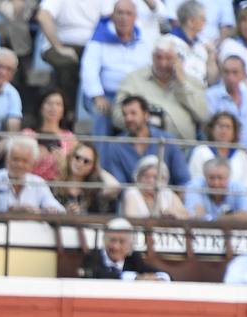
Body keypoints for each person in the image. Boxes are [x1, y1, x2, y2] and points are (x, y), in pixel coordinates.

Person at [111, 35, 209, 142]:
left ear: (179, 60)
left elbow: (203, 115)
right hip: (143, 143)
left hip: (183, 147)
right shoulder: (133, 79)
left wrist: (182, 85)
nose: (163, 64)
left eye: (168, 58)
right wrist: (144, 122)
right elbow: (117, 115)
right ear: (152, 57)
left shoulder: (193, 82)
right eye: (158, 57)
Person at [78, 0, 148, 137]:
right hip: (106, 95)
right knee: (101, 116)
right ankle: (100, 157)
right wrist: (98, 96)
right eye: (120, 13)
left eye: (129, 14)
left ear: (135, 17)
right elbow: (89, 70)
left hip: (134, 95)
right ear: (112, 16)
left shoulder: (144, 42)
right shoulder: (99, 39)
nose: (124, 17)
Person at [100, 94, 191, 187]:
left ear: (146, 115)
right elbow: (119, 185)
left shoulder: (166, 140)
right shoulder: (116, 146)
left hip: (164, 195)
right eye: (125, 114)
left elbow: (182, 179)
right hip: (132, 198)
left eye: (133, 113)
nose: (128, 118)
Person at [0, 136, 67, 214]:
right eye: (15, 159)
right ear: (7, 160)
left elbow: (58, 209)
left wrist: (47, 211)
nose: (19, 164)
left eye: (24, 161)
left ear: (33, 164)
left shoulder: (38, 182)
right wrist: (12, 210)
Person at [206, 55, 247, 157]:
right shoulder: (211, 96)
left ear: (244, 74)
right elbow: (210, 128)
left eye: (235, 72)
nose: (230, 77)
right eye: (226, 72)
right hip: (219, 152)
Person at [78, 217, 170, 280]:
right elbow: (95, 274)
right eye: (112, 240)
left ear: (130, 245)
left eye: (122, 242)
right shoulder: (93, 256)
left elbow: (163, 274)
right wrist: (134, 278)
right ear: (104, 240)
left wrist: (160, 278)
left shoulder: (133, 258)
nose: (116, 247)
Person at [190, 111, 247, 190]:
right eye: (220, 126)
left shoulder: (242, 155)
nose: (224, 130)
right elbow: (195, 183)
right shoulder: (200, 151)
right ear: (212, 129)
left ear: (234, 132)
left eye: (228, 127)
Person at [184, 156, 247, 222]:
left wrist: (211, 218)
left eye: (220, 178)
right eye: (211, 178)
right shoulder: (195, 186)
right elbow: (193, 218)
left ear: (228, 178)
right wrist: (234, 217)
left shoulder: (238, 187)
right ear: (205, 177)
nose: (216, 183)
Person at [23, 89, 75, 182]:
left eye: (58, 104)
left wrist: (63, 163)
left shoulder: (69, 137)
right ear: (41, 107)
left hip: (59, 186)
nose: (53, 108)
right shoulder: (28, 134)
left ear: (63, 110)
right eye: (49, 103)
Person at [120, 154, 189, 219]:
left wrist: (173, 214)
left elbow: (185, 215)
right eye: (146, 176)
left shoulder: (167, 193)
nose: (151, 181)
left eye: (155, 177)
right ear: (138, 178)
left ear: (164, 180)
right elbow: (132, 220)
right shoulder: (132, 193)